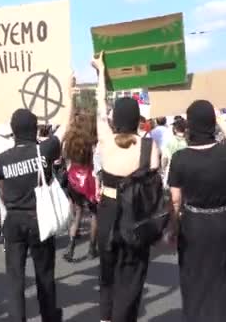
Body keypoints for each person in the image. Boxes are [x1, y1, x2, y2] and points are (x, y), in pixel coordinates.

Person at [94, 52, 160, 322]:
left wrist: (100, 72)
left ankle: (106, 318)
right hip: (136, 216)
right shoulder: (149, 145)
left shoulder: (106, 141)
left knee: (107, 272)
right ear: (137, 119)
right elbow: (155, 179)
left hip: (108, 211)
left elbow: (100, 105)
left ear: (115, 118)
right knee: (132, 274)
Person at [167, 100, 226, 322]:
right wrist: (221, 120)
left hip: (193, 223)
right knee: (225, 274)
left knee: (194, 276)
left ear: (190, 125)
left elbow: (175, 200)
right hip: (224, 221)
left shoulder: (180, 158)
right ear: (211, 123)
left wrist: (173, 228)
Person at [0, 109, 64, 322]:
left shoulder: (1, 159)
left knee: (15, 278)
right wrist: (68, 95)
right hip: (39, 219)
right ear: (35, 129)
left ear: (13, 132)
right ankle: (49, 317)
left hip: (13, 220)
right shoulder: (45, 150)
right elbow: (66, 129)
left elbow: (0, 188)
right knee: (45, 275)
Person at [62, 112, 99, 262]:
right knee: (94, 213)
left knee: (77, 211)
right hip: (89, 177)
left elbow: (65, 159)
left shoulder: (69, 140)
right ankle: (91, 248)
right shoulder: (93, 141)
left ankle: (70, 247)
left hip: (74, 177)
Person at [161, 118, 188, 188]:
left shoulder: (170, 141)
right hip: (186, 172)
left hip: (171, 171)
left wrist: (163, 169)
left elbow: (164, 158)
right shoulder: (189, 141)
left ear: (175, 129)